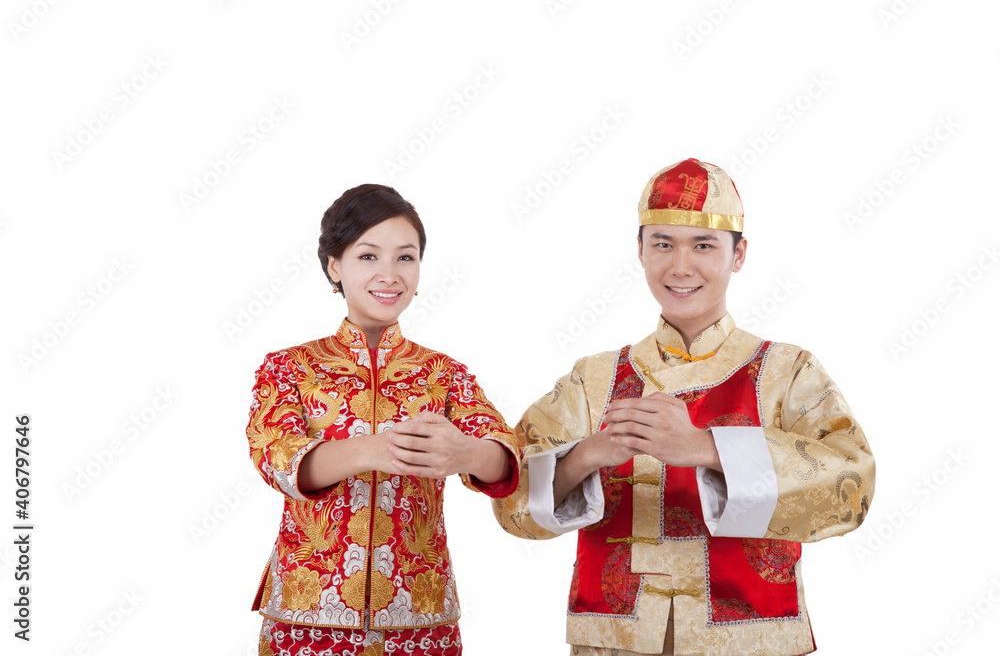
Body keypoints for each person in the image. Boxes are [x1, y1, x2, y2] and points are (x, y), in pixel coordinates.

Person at [493, 158, 875, 655]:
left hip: (752, 642)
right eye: (663, 244)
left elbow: (854, 484)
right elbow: (511, 501)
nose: (680, 267)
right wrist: (587, 455)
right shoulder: (594, 379)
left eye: (703, 246)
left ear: (739, 256)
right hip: (613, 642)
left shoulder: (788, 372)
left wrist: (708, 448)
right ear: (639, 250)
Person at [246, 184, 519, 656]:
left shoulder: (442, 373)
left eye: (405, 258)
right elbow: (276, 457)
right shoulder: (288, 368)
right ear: (335, 266)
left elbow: (506, 455)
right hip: (307, 616)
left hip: (419, 614)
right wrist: (377, 448)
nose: (389, 275)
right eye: (368, 257)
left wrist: (468, 452)